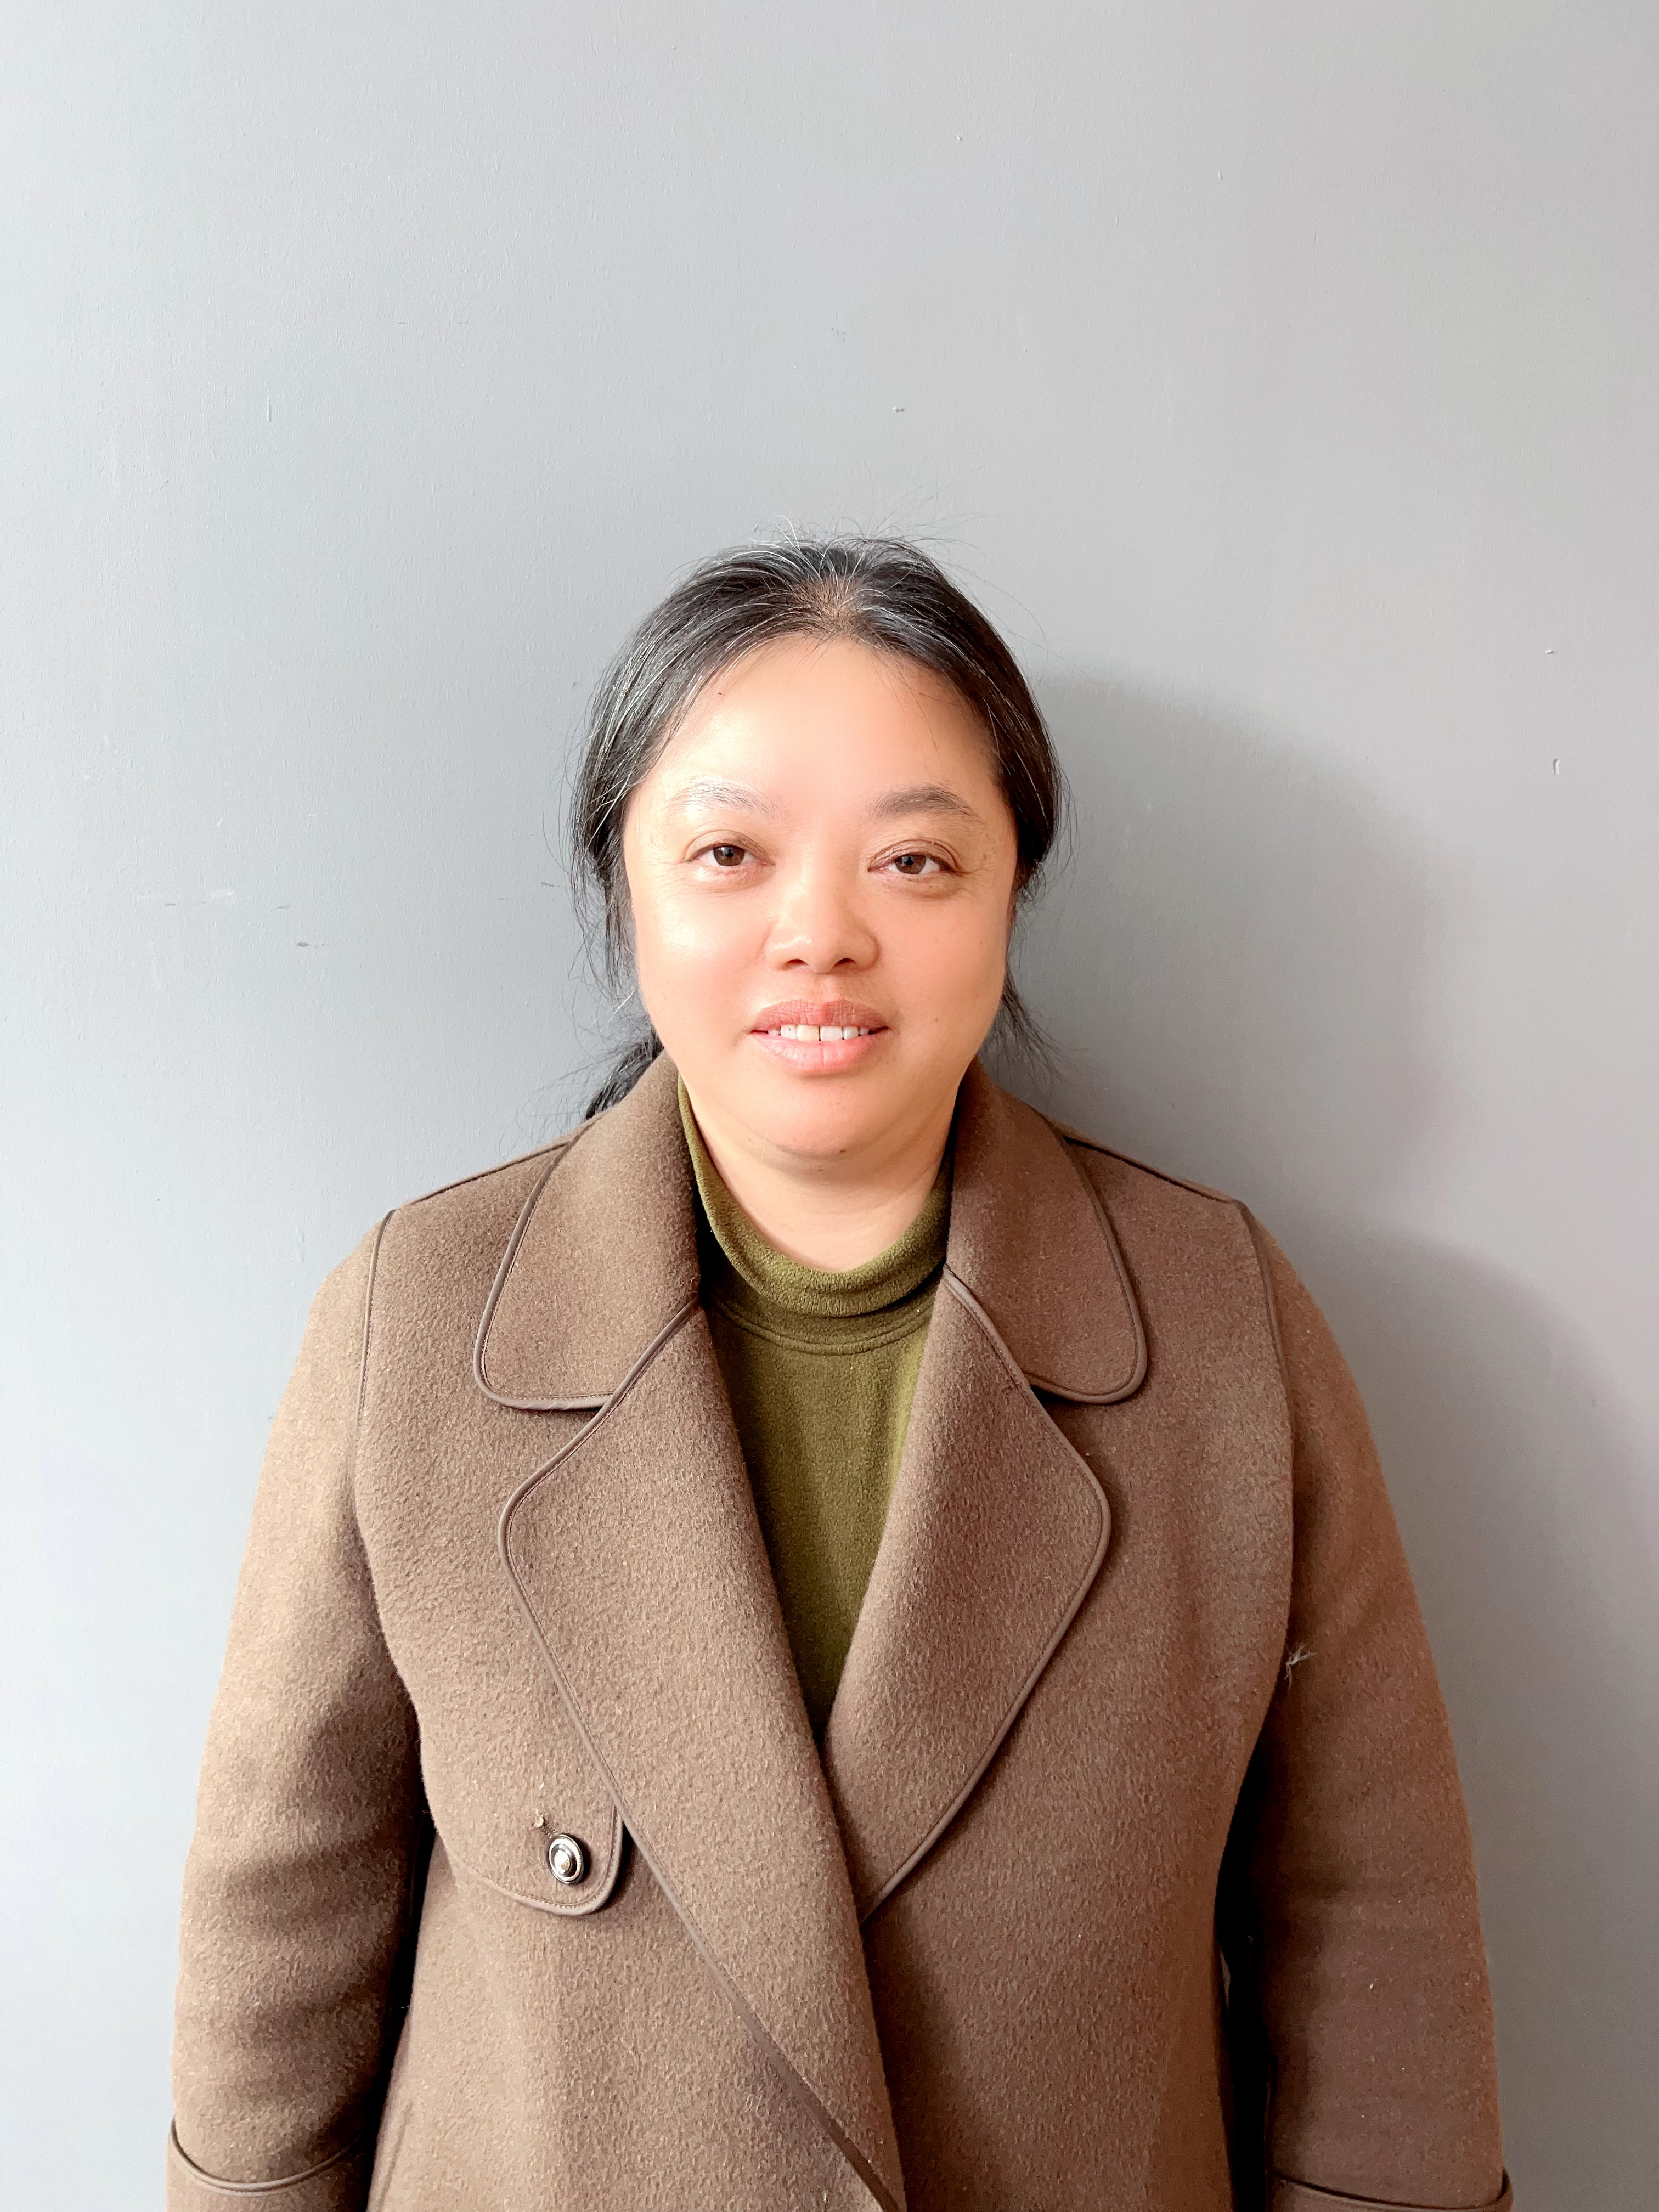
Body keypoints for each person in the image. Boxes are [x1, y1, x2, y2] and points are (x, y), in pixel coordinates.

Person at [167, 538, 1510, 2212]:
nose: (820, 935)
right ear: (627, 887)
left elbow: (1373, 1927)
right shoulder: (420, 1324)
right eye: (728, 853)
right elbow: (280, 1923)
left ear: (1012, 891)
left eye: (915, 861)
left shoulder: (1222, 1327)